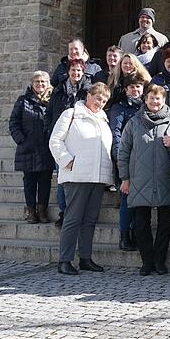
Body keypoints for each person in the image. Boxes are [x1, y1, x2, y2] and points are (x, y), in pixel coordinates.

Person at [48, 82, 114, 275]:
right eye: (97, 98)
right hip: (76, 175)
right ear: (88, 96)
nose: (100, 103)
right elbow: (55, 140)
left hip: (97, 177)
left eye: (104, 100)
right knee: (73, 218)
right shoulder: (71, 114)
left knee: (90, 220)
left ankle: (85, 258)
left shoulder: (103, 120)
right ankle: (65, 260)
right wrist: (67, 161)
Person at [118, 84, 170, 276]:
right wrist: (124, 178)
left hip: (166, 179)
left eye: (159, 98)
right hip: (139, 179)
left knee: (164, 223)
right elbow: (124, 151)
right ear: (145, 100)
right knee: (141, 223)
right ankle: (147, 261)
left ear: (164, 101)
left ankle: (160, 261)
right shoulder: (134, 122)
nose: (155, 102)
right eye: (151, 98)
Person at [45, 59, 92, 228]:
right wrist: (50, 131)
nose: (76, 73)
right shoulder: (58, 90)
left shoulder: (88, 91)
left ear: (83, 72)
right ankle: (64, 212)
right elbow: (49, 114)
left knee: (78, 181)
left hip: (81, 142)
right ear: (68, 71)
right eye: (73, 70)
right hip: (62, 140)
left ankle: (78, 212)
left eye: (79, 70)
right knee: (63, 179)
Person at [9, 71, 55, 224]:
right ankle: (31, 211)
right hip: (27, 148)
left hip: (46, 149)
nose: (40, 84)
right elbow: (14, 123)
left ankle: (42, 211)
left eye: (43, 82)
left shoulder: (52, 100)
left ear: (48, 83)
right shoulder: (23, 101)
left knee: (45, 181)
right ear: (32, 84)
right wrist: (21, 140)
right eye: (37, 82)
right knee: (29, 181)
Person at [109, 74, 147, 251]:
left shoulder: (146, 107)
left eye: (138, 87)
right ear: (126, 89)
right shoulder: (119, 108)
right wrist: (119, 159)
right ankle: (124, 236)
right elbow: (116, 134)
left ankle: (135, 234)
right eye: (132, 87)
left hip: (143, 161)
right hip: (126, 158)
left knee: (138, 200)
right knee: (126, 198)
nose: (135, 90)